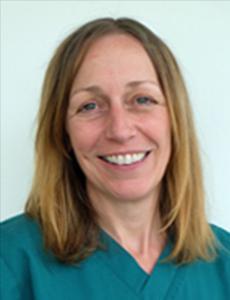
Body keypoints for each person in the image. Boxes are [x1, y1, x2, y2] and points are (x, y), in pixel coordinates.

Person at [0, 17, 229, 300]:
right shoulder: (9, 261)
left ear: (175, 120)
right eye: (90, 106)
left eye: (142, 99)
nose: (120, 130)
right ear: (62, 132)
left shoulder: (224, 263)